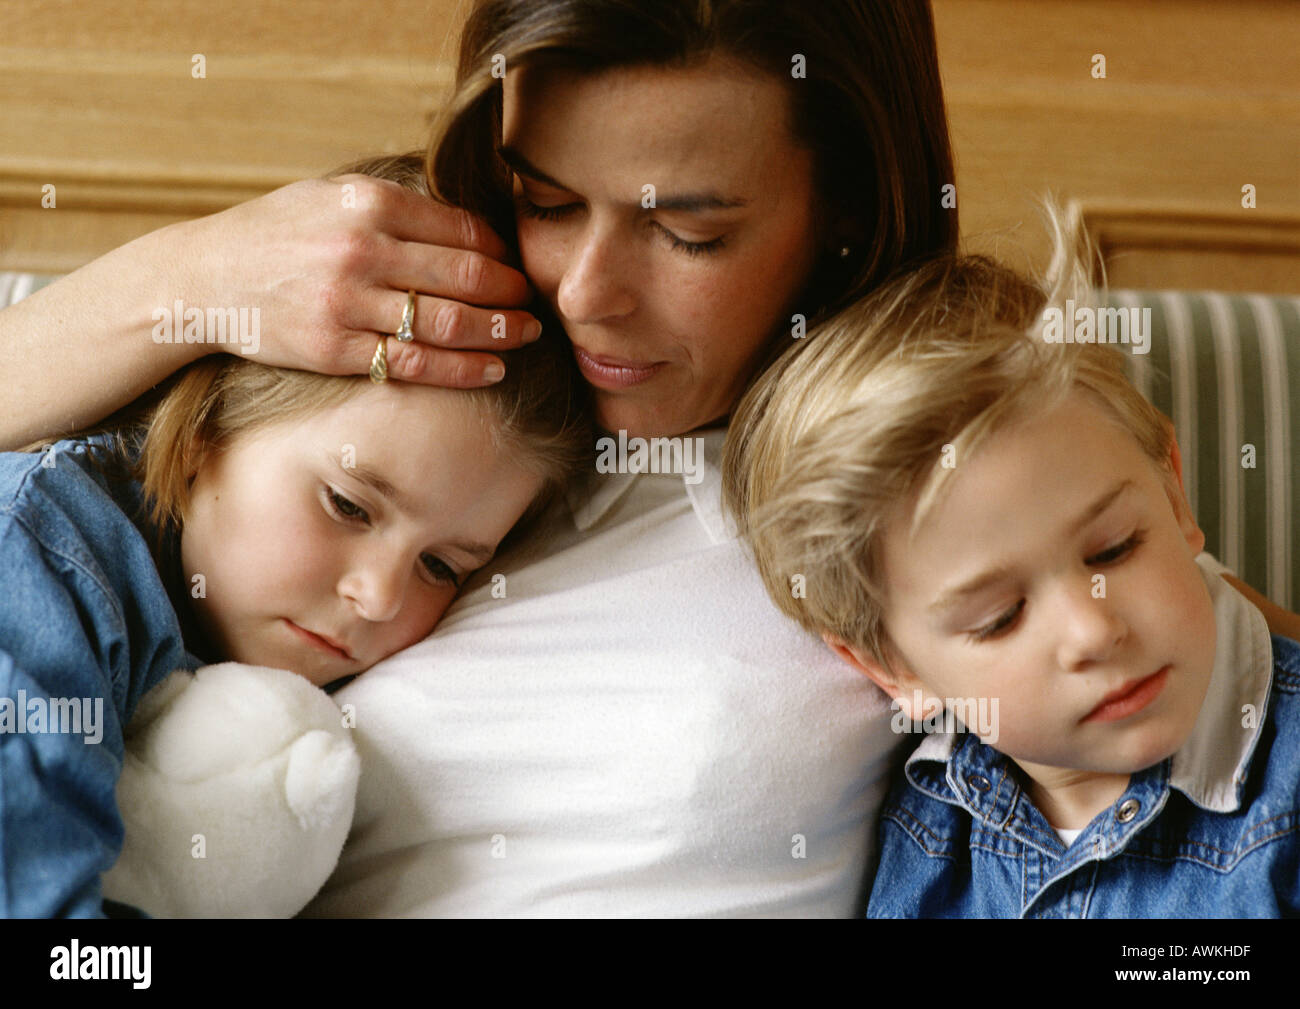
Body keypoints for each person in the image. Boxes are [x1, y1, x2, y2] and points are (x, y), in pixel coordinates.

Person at [2, 1, 1294, 916]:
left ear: (838, 210)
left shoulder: (904, 474)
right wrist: (182, 282)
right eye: (548, 202)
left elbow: (1174, 650)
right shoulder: (385, 386)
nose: (589, 297)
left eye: (688, 232)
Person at [0, 155, 590, 917]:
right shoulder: (42, 561)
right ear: (208, 428)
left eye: (441, 564)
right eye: (349, 505)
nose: (379, 596)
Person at [722, 234, 1300, 917]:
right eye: (1000, 617)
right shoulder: (929, 827)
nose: (1093, 629)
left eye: (1114, 549)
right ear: (892, 668)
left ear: (1174, 497)